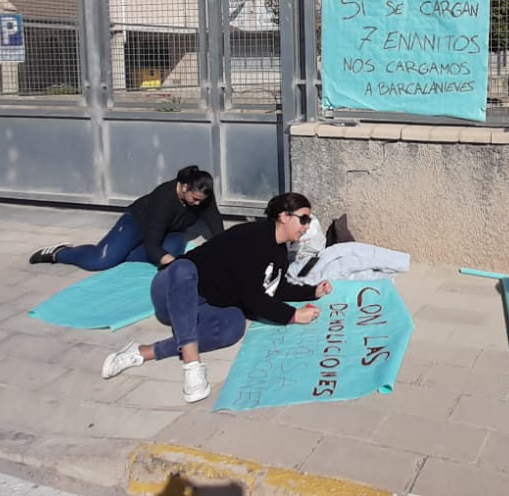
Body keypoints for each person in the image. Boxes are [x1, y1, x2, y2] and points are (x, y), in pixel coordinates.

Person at [98, 192, 333, 402]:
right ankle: (192, 365)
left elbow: (274, 288)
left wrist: (311, 292)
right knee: (184, 267)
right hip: (171, 291)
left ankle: (142, 352)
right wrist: (291, 315)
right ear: (283, 216)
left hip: (201, 308)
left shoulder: (280, 251)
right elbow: (253, 298)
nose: (307, 225)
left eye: (309, 220)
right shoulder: (251, 237)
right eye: (304, 218)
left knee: (233, 325)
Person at [28, 165, 224, 270]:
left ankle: (120, 254)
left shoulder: (203, 194)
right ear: (183, 187)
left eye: (202, 200)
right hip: (138, 223)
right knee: (101, 261)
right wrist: (174, 265)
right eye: (194, 199)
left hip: (172, 231)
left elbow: (213, 219)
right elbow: (153, 244)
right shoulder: (164, 199)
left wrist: (225, 245)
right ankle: (60, 253)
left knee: (171, 251)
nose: (198, 204)